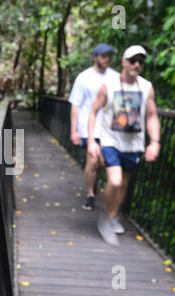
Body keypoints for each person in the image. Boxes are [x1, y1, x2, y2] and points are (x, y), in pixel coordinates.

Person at [88, 45, 160, 245]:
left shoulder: (146, 87)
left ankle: (112, 216)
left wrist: (154, 142)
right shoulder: (108, 85)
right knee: (116, 180)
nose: (137, 64)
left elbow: (152, 116)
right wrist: (93, 141)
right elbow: (93, 112)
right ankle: (107, 217)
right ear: (123, 62)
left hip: (134, 145)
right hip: (111, 141)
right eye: (133, 60)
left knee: (124, 183)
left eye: (140, 61)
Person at [68, 43, 119, 211]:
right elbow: (76, 104)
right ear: (95, 57)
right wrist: (73, 130)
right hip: (88, 128)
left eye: (108, 56)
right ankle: (90, 194)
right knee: (92, 160)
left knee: (103, 162)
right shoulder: (84, 77)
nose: (106, 59)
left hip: (110, 129)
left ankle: (94, 181)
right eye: (103, 56)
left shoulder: (115, 77)